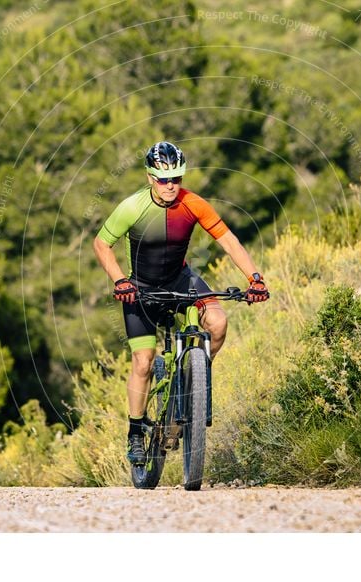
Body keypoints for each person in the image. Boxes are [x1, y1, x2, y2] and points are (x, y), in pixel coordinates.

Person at [93, 141, 270, 464]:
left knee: (218, 322)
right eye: (163, 179)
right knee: (143, 361)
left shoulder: (193, 204)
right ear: (150, 178)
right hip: (141, 289)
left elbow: (228, 240)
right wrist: (120, 280)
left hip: (180, 280)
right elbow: (102, 244)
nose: (171, 185)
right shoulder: (132, 207)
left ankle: (194, 379)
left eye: (176, 178)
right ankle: (135, 431)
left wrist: (254, 278)